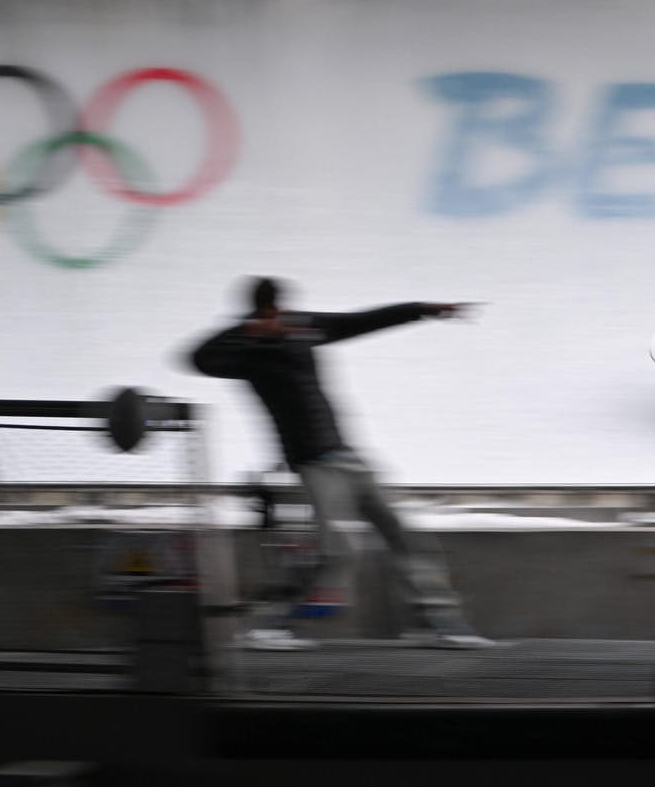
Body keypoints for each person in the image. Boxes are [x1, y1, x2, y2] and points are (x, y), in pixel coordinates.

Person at [187, 276, 493, 651]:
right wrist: (248, 332)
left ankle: (440, 624)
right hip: (312, 463)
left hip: (348, 455)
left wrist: (421, 310)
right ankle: (266, 623)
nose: (276, 315)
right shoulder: (243, 352)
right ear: (257, 311)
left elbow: (359, 321)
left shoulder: (303, 328)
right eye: (267, 311)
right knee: (337, 550)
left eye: (277, 308)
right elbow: (197, 359)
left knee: (406, 537)